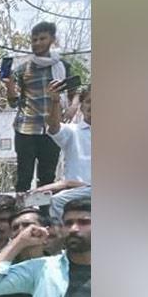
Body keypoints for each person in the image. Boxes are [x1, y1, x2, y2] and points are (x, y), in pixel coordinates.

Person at [3, 22, 67, 193]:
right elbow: (13, 102)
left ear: (52, 39)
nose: (37, 43)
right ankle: (22, 214)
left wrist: (73, 106)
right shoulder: (23, 69)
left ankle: (44, 215)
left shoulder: (62, 66)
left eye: (42, 38)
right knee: (24, 176)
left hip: (52, 129)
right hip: (26, 129)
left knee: (47, 177)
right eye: (34, 39)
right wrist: (9, 85)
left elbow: (75, 91)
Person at [36, 83, 91, 221]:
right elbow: (54, 126)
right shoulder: (73, 131)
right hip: (76, 194)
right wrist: (55, 101)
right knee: (31, 201)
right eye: (89, 101)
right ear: (82, 106)